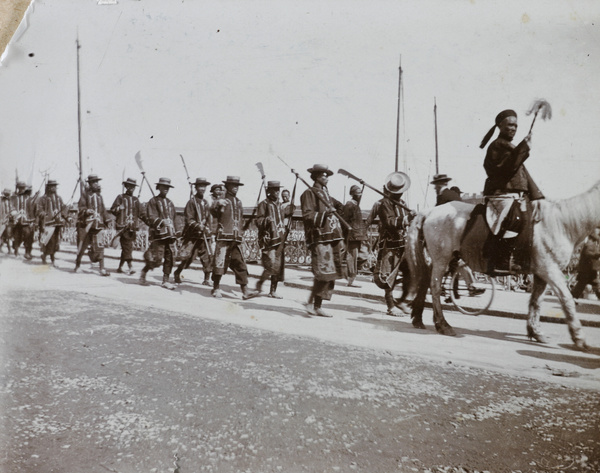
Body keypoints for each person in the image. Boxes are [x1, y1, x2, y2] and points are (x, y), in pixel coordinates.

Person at [480, 109, 544, 272]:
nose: (513, 128)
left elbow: (523, 172)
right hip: (501, 195)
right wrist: (523, 148)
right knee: (517, 218)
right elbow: (507, 168)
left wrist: (537, 196)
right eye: (510, 125)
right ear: (500, 126)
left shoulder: (511, 148)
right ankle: (499, 260)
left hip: (515, 197)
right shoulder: (497, 145)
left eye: (515, 125)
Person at [300, 164, 345, 317]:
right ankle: (310, 303)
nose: (326, 178)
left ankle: (317, 305)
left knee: (330, 273)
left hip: (332, 237)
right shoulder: (309, 193)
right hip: (319, 238)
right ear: (317, 177)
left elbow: (340, 207)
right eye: (323, 175)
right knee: (323, 272)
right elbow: (307, 216)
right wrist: (325, 215)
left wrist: (336, 208)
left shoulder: (325, 194)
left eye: (327, 175)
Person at [430, 174, 484, 298]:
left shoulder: (444, 196)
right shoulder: (453, 196)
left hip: (452, 235)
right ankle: (462, 288)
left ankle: (444, 289)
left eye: (436, 185)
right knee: (457, 263)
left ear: (440, 184)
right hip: (460, 234)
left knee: (450, 262)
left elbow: (438, 217)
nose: (435, 188)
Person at [210, 176, 258, 300]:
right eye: (233, 185)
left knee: (240, 263)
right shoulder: (222, 200)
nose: (236, 187)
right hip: (224, 237)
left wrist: (241, 231)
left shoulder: (239, 202)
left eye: (237, 185)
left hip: (235, 238)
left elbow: (241, 218)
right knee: (220, 263)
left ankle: (245, 290)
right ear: (227, 186)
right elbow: (212, 211)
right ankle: (216, 288)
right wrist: (217, 203)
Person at [373, 172, 412, 316]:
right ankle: (390, 306)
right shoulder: (385, 204)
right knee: (389, 276)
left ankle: (401, 301)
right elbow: (390, 223)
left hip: (403, 244)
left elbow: (407, 221)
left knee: (409, 272)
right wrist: (407, 219)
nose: (400, 195)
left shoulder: (402, 203)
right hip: (390, 244)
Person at [140, 178, 181, 289]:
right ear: (159, 188)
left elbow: (174, 218)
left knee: (170, 257)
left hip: (170, 234)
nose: (165, 189)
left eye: (167, 187)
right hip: (159, 235)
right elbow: (151, 216)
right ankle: (144, 271)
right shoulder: (153, 201)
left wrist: (177, 233)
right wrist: (161, 221)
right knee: (156, 258)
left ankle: (165, 280)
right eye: (163, 187)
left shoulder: (170, 203)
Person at [255, 180, 294, 298]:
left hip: (280, 239)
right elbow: (258, 221)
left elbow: (284, 218)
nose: (277, 192)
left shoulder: (279, 205)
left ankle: (273, 291)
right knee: (270, 264)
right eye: (274, 190)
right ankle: (260, 283)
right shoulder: (264, 204)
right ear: (269, 191)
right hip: (269, 239)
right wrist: (267, 220)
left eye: (278, 190)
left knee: (278, 265)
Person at [174, 177, 213, 287]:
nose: (203, 188)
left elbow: (208, 218)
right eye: (200, 186)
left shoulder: (205, 203)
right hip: (192, 235)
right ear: (196, 188)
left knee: (207, 257)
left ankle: (206, 279)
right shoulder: (191, 202)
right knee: (188, 257)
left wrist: (208, 228)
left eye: (204, 186)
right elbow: (189, 219)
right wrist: (197, 225)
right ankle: (177, 272)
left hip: (204, 235)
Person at [75, 174, 111, 276]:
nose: (96, 184)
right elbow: (81, 207)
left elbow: (103, 210)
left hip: (98, 224)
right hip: (86, 225)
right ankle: (77, 265)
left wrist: (107, 219)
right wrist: (86, 211)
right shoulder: (85, 195)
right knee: (82, 246)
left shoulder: (100, 196)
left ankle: (102, 269)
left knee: (100, 245)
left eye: (97, 182)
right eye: (94, 182)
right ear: (90, 184)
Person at [110, 177, 141, 275]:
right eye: (129, 186)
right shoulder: (120, 197)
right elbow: (113, 209)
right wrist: (119, 208)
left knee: (126, 247)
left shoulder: (136, 200)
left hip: (132, 228)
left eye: (133, 186)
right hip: (123, 227)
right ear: (126, 186)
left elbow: (141, 213)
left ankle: (120, 267)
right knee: (128, 247)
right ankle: (130, 266)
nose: (131, 188)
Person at [342, 184, 369, 287]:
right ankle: (350, 278)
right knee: (352, 257)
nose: (359, 195)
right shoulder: (349, 205)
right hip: (352, 235)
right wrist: (348, 233)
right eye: (357, 193)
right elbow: (345, 221)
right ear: (352, 194)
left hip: (359, 235)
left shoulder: (356, 205)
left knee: (364, 255)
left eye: (360, 193)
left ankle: (348, 272)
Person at [35, 179, 67, 266]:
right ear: (48, 188)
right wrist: (43, 214)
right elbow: (39, 210)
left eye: (55, 186)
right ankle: (46, 257)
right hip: (48, 224)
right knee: (49, 242)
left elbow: (63, 208)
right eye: (52, 186)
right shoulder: (43, 199)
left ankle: (49, 258)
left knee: (56, 242)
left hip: (57, 223)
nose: (54, 188)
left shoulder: (59, 198)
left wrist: (65, 216)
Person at [571, 227, 600, 300]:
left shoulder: (593, 243)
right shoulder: (590, 243)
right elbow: (588, 253)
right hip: (587, 269)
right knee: (582, 284)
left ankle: (572, 297)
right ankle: (572, 297)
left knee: (594, 284)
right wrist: (598, 254)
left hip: (590, 268)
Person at [12, 183, 36, 259]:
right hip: (17, 222)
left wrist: (32, 220)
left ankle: (27, 253)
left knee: (28, 236)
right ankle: (16, 251)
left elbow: (31, 210)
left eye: (23, 188)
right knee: (17, 237)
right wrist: (15, 214)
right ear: (18, 189)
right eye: (20, 188)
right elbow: (12, 208)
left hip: (26, 222)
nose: (22, 190)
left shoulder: (29, 199)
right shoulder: (14, 198)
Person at [0, 188, 14, 253]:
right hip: (2, 220)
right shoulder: (1, 200)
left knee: (8, 235)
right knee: (1, 234)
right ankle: (1, 247)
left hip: (8, 220)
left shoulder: (11, 201)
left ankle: (9, 249)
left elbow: (12, 209)